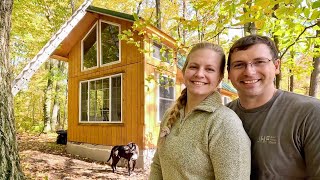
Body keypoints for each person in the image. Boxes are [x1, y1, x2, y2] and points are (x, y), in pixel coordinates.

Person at [149, 42, 251, 179]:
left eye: (209, 69)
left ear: (219, 77)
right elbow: (158, 165)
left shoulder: (224, 123)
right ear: (184, 71)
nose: (199, 74)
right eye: (193, 67)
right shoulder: (170, 115)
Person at [226, 34, 320, 179]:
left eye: (259, 62)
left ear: (276, 66)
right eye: (239, 64)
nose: (249, 72)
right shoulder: (222, 117)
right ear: (229, 74)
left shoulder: (309, 113)